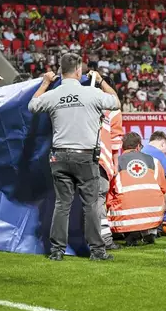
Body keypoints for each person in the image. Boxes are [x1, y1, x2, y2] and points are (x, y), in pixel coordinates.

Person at [28, 53, 120, 261]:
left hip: (59, 157)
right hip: (85, 157)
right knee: (90, 205)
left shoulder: (53, 94)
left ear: (60, 71)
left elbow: (32, 106)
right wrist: (102, 80)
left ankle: (57, 251)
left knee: (62, 205)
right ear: (79, 70)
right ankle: (97, 251)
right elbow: (115, 102)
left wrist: (44, 84)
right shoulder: (91, 93)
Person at [106, 132, 166, 246]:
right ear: (138, 146)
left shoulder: (115, 164)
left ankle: (130, 234)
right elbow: (163, 189)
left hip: (125, 217)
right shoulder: (154, 162)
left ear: (122, 147)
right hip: (153, 215)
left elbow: (108, 194)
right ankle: (150, 232)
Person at [96, 83, 124, 250]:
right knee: (98, 199)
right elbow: (114, 142)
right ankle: (104, 239)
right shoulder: (111, 108)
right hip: (99, 160)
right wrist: (114, 165)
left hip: (68, 156)